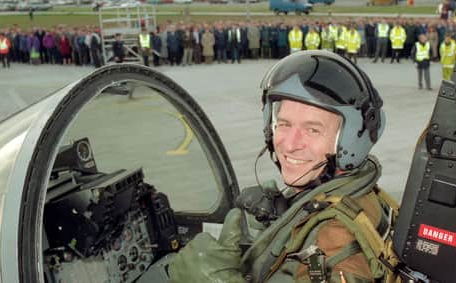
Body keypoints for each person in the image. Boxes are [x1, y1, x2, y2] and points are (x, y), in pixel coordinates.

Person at [169, 50, 399, 283]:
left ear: (350, 140)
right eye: (284, 124)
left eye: (313, 130)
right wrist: (286, 211)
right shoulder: (355, 192)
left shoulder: (336, 241)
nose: (289, 145)